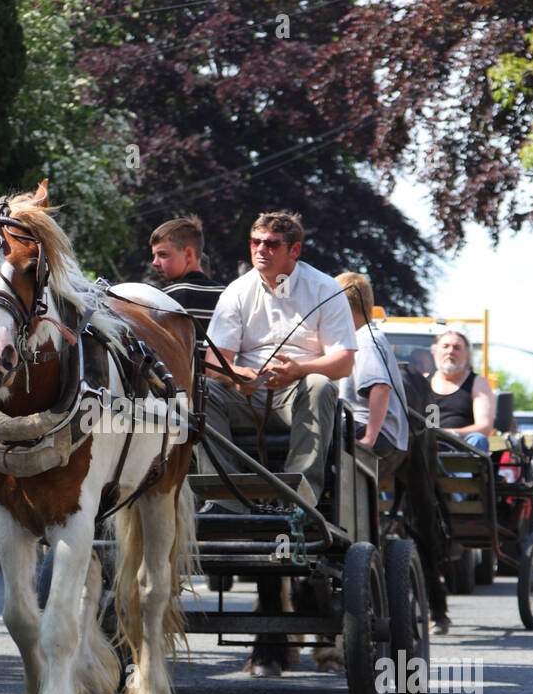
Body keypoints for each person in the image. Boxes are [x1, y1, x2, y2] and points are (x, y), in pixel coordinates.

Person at [199, 210, 355, 512]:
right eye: (255, 242)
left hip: (299, 395)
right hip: (247, 397)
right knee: (203, 389)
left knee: (319, 384)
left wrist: (300, 370)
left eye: (271, 244)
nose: (260, 250)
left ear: (294, 250)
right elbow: (213, 362)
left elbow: (344, 362)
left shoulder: (325, 289)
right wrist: (236, 375)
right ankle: (225, 498)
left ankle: (298, 498)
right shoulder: (237, 291)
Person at [334, 271, 409, 480]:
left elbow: (380, 387)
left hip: (370, 428)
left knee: (315, 426)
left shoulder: (366, 341)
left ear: (345, 308)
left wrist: (369, 438)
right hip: (364, 425)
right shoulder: (359, 338)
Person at [149, 215, 225, 326]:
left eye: (162, 255)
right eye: (154, 256)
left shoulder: (163, 300)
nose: (154, 263)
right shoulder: (227, 296)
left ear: (188, 254)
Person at [426, 330, 494, 451]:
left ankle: (464, 470)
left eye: (456, 348)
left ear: (467, 355)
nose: (450, 351)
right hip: (425, 446)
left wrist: (449, 433)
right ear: (435, 352)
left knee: (478, 439)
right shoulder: (421, 382)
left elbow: (485, 427)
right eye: (445, 346)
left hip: (462, 446)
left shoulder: (478, 383)